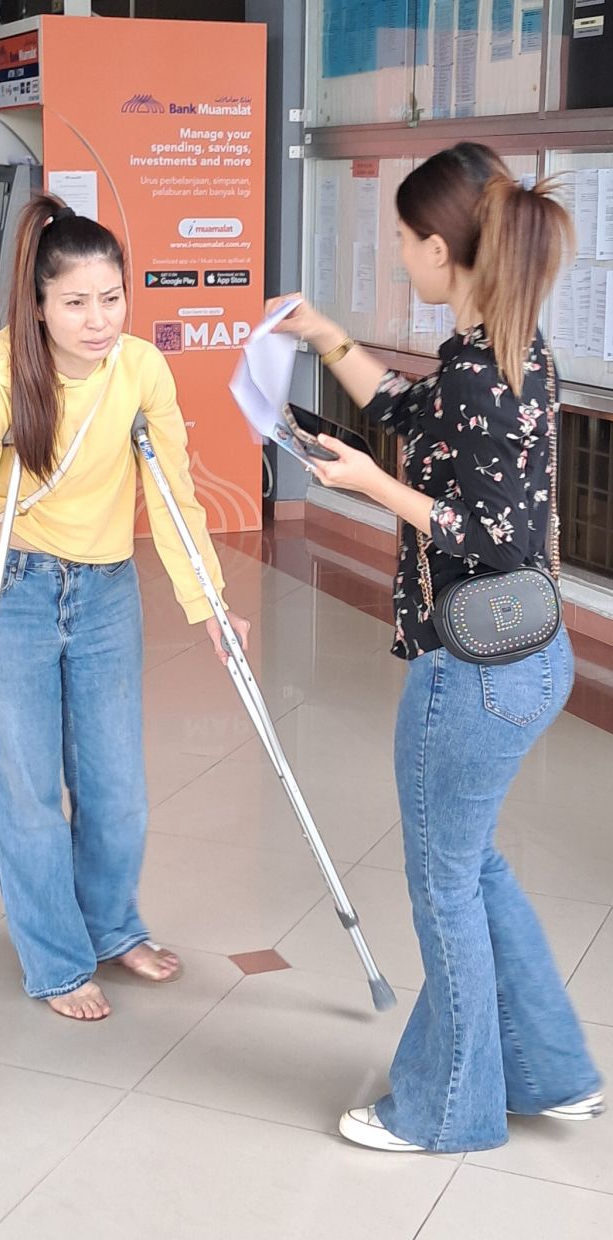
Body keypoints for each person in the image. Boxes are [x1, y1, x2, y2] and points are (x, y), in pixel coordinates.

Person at [268, 143, 603, 1153]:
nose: (397, 256)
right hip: (523, 658)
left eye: (402, 241)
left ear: (438, 248)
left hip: (476, 669)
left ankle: (447, 1107)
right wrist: (326, 338)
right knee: (476, 865)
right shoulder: (498, 353)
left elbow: (490, 535)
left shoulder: (485, 374)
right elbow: (409, 413)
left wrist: (370, 488)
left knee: (444, 880)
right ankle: (550, 1070)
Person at [0, 193, 249, 1021]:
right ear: (38, 304)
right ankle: (58, 962)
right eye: (74, 303)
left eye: (112, 298)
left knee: (117, 787)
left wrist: (209, 604)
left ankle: (110, 926)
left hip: (104, 593)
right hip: (11, 590)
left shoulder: (141, 369)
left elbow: (175, 495)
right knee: (26, 791)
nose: (98, 321)